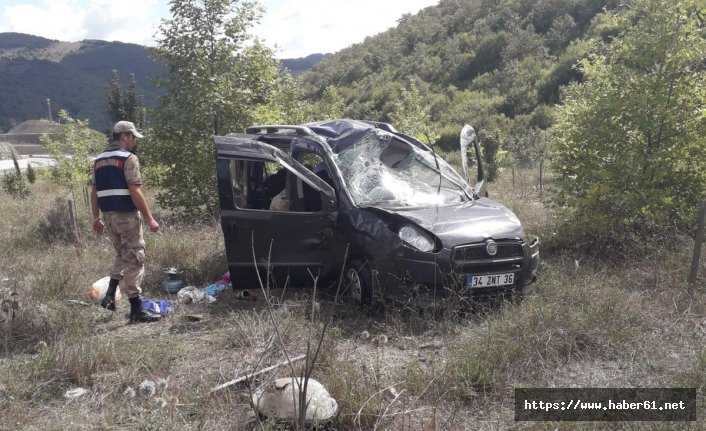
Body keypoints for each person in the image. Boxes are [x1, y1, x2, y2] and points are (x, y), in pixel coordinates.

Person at [90, 121, 161, 323]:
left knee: (122, 253)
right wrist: (149, 218)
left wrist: (97, 217)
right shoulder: (128, 158)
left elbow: (94, 193)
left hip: (109, 217)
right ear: (124, 136)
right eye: (133, 138)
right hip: (126, 216)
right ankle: (136, 309)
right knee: (135, 257)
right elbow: (135, 191)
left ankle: (110, 295)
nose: (134, 142)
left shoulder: (99, 160)